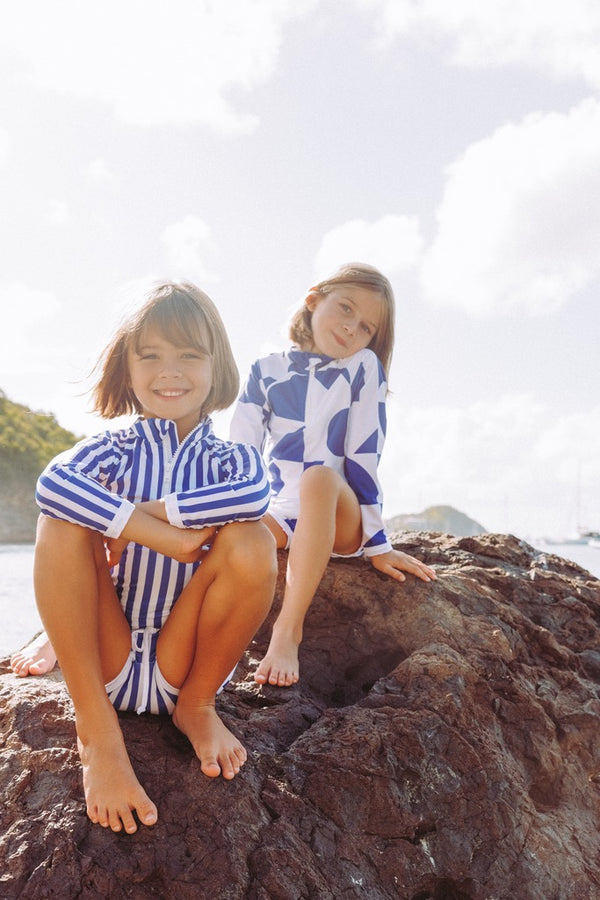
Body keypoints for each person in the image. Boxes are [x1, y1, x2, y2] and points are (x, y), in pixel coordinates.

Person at [11, 281, 277, 835]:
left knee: (251, 539)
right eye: (150, 355)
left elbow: (253, 499)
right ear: (126, 370)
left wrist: (151, 514)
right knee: (63, 521)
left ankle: (198, 708)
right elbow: (51, 486)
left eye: (188, 354)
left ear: (216, 366)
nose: (169, 371)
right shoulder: (109, 451)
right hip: (107, 658)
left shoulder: (233, 460)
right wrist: (163, 537)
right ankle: (98, 735)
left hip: (184, 665)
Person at [229, 262, 436, 688]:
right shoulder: (265, 370)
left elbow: (365, 453)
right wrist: (232, 518)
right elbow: (241, 453)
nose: (351, 329)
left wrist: (378, 543)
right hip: (283, 514)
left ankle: (288, 631)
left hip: (339, 513)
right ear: (313, 299)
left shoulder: (362, 367)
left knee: (319, 477)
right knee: (224, 538)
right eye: (345, 309)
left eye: (365, 328)